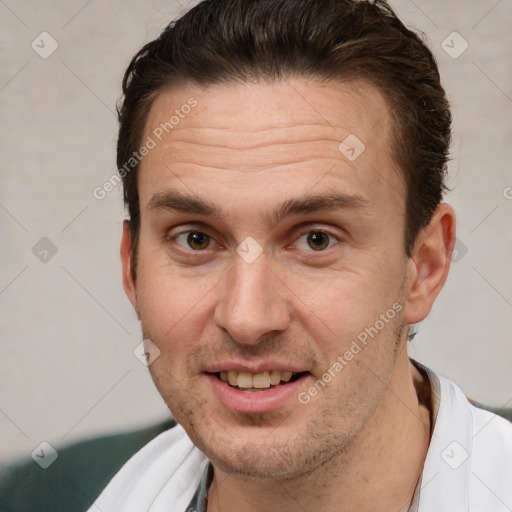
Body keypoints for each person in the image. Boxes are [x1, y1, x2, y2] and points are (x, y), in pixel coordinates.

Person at [1, 0, 511, 511]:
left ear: (424, 267)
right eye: (195, 239)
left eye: (316, 239)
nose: (247, 319)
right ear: (131, 267)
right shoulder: (41, 495)